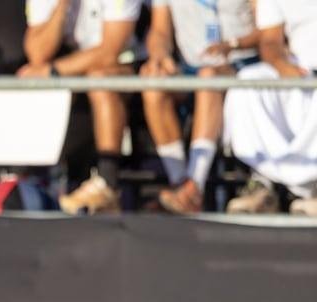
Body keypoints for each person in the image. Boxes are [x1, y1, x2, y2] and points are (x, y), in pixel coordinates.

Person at [19, 0, 145, 214]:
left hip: (129, 67)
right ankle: (27, 185)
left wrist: (53, 72)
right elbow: (37, 53)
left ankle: (108, 184)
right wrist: (62, 6)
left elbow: (110, 51)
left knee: (99, 79)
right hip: (77, 70)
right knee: (25, 81)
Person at [142, 0, 259, 214]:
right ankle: (180, 182)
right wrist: (160, 55)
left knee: (208, 77)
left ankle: (194, 185)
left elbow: (269, 32)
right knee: (153, 83)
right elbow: (159, 31)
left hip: (242, 64)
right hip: (191, 67)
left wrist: (232, 44)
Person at [223, 0, 317, 214]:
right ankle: (263, 183)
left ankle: (310, 189)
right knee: (249, 81)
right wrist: (281, 65)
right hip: (300, 71)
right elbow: (270, 40)